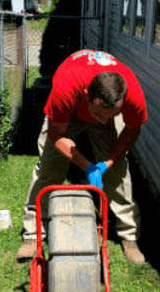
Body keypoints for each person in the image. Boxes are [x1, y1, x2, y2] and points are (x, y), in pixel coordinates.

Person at [16, 50, 148, 264]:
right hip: (70, 113)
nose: (105, 121)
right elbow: (57, 135)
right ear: (86, 93)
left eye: (112, 116)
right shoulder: (66, 88)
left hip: (91, 105)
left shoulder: (132, 96)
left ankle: (129, 236)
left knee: (118, 172)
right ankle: (33, 234)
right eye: (99, 114)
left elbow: (132, 130)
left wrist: (108, 162)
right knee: (49, 169)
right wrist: (87, 166)